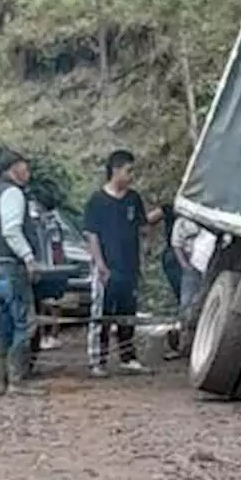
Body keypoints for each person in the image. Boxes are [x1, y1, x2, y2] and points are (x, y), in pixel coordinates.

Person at [83, 149, 163, 378]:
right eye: (128, 171)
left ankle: (128, 357)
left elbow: (143, 225)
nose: (131, 175)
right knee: (103, 315)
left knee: (128, 313)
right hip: (107, 266)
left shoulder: (133, 198)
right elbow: (92, 235)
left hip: (129, 266)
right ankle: (98, 359)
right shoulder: (96, 201)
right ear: (115, 170)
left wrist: (162, 214)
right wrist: (100, 264)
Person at [0, 151, 44, 396]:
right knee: (24, 323)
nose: (28, 172)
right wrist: (29, 257)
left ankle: (5, 378)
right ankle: (17, 380)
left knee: (6, 324)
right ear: (14, 168)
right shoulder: (12, 193)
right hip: (11, 266)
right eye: (25, 167)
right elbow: (11, 230)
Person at [170, 215, 216, 356]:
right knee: (187, 304)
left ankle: (201, 345)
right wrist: (185, 265)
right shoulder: (183, 221)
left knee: (207, 305)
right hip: (193, 266)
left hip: (213, 268)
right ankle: (183, 345)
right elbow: (176, 244)